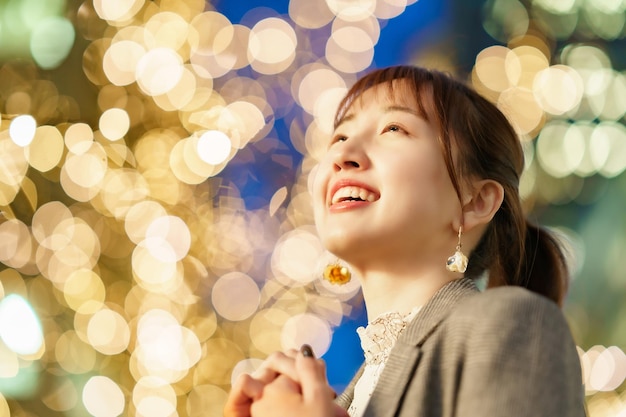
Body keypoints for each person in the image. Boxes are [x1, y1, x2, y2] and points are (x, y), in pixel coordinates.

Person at [224, 65, 586, 417]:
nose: (341, 156)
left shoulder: (511, 323)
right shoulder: (348, 398)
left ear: (475, 201)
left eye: (393, 128)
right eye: (340, 137)